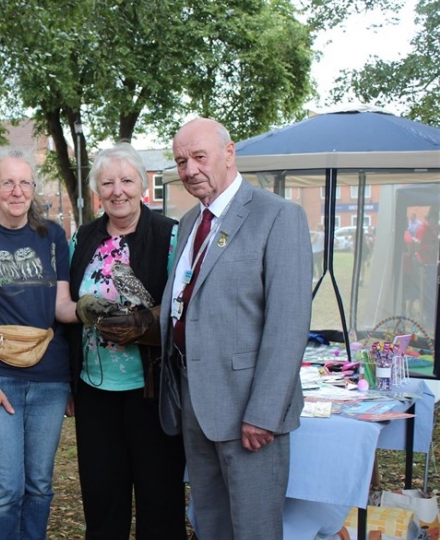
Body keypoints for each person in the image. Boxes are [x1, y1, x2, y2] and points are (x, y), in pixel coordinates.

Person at [160, 118, 311, 540]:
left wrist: (263, 413)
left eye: (199, 157)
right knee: (210, 524)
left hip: (250, 414)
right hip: (195, 406)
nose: (189, 169)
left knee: (254, 530)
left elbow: (288, 323)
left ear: (229, 154)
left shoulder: (279, 216)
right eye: (181, 161)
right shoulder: (190, 222)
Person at [0, 147, 78, 540]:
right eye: (8, 182)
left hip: (50, 378)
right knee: (5, 490)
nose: (17, 191)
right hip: (0, 378)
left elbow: (61, 306)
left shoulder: (53, 236)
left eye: (25, 182)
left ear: (34, 189)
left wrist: (95, 311)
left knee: (40, 484)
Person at [69, 143, 185, 539]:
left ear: (143, 186)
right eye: (107, 183)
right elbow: (65, 307)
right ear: (97, 192)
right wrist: (85, 308)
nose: (117, 190)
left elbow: (185, 306)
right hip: (94, 389)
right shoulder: (83, 238)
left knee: (159, 499)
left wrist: (145, 322)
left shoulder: (171, 235)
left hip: (151, 391)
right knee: (103, 500)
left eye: (126, 180)